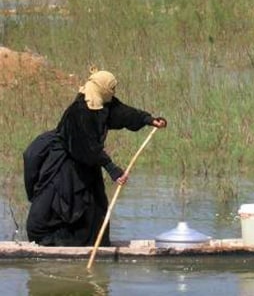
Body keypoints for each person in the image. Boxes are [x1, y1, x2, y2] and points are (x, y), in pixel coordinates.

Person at [24, 68, 167, 247]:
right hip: (66, 165)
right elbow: (87, 147)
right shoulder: (78, 112)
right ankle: (56, 248)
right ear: (101, 89)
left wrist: (148, 120)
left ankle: (88, 248)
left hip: (88, 163)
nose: (113, 93)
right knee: (51, 212)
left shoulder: (104, 104)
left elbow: (122, 113)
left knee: (94, 214)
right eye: (111, 90)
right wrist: (112, 169)